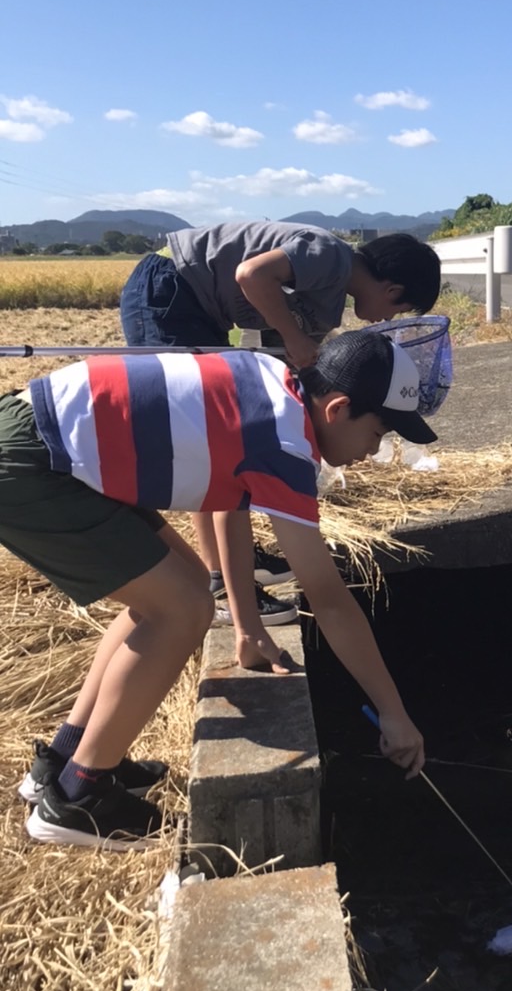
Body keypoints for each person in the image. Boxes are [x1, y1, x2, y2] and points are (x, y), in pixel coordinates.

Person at [10, 330, 431, 849]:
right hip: (37, 464)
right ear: (338, 408)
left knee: (183, 590)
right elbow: (328, 599)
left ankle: (63, 760)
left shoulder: (272, 386)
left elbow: (229, 503)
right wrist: (394, 713)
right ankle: (80, 799)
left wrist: (248, 625)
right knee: (180, 610)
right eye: (380, 432)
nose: (375, 450)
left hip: (56, 442)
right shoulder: (284, 441)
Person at [119, 225, 441, 663]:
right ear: (392, 287)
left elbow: (285, 360)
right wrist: (293, 336)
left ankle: (223, 571)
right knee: (213, 446)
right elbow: (251, 276)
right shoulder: (330, 255)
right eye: (397, 308)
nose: (386, 320)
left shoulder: (327, 306)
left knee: (219, 445)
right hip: (169, 286)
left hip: (194, 303)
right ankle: (231, 588)